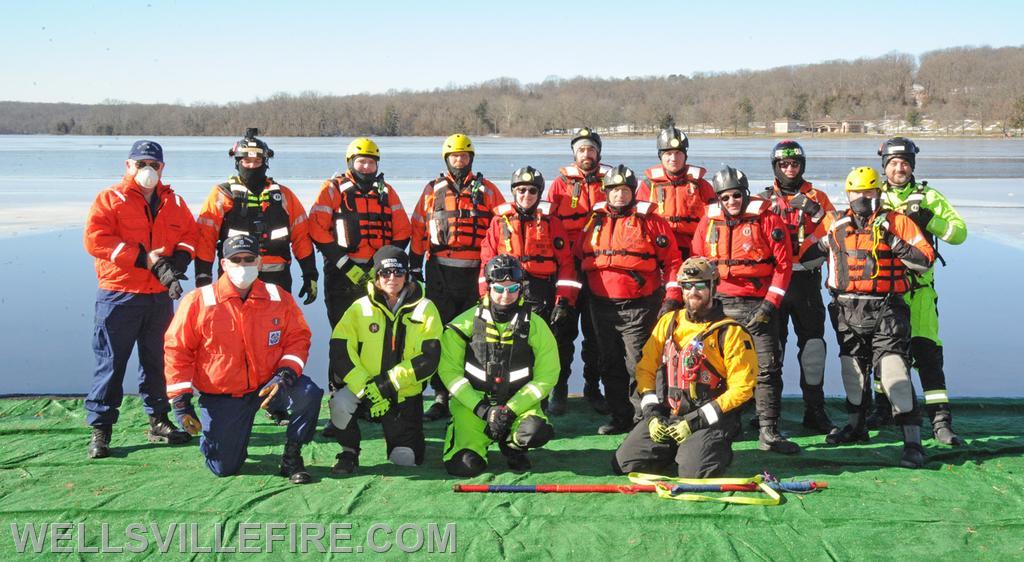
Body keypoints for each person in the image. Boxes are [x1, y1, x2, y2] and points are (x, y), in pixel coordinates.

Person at [798, 167, 935, 468]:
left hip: (887, 306)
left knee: (893, 370)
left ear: (878, 193)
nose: (862, 198)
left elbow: (925, 260)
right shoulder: (836, 223)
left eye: (869, 192)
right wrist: (822, 243)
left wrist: (894, 242)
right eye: (856, 192)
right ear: (848, 194)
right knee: (852, 369)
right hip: (847, 308)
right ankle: (856, 426)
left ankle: (912, 441)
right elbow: (806, 257)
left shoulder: (897, 222)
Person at [164, 235, 323, 483]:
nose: (243, 265)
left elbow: (299, 337)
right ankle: (219, 437)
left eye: (249, 259)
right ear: (224, 264)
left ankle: (292, 455)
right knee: (223, 467)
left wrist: (285, 374)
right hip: (225, 393)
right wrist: (181, 402)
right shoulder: (199, 301)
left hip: (270, 384)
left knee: (309, 393)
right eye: (235, 260)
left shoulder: (277, 296)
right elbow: (177, 350)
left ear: (259, 263)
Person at [194, 128, 317, 426]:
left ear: (266, 161)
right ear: (236, 161)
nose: (251, 164)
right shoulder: (221, 195)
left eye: (257, 159)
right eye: (245, 159)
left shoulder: (284, 196)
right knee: (234, 338)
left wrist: (310, 273)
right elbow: (205, 236)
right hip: (235, 283)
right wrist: (201, 277)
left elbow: (301, 235)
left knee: (277, 340)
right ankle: (236, 393)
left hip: (276, 281)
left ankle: (275, 398)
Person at [83, 140, 196, 459]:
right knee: (110, 363)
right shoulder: (110, 199)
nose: (148, 170)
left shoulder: (174, 201)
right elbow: (96, 240)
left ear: (162, 168)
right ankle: (101, 429)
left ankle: (158, 420)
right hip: (119, 295)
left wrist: (179, 262)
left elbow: (191, 234)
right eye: (141, 164)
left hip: (159, 297)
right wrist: (143, 259)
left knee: (158, 362)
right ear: (128, 165)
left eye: (154, 165)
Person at [613, 257, 757, 478]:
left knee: (694, 473)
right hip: (671, 414)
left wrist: (696, 421)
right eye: (686, 286)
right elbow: (645, 369)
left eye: (699, 285)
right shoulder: (669, 322)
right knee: (625, 463)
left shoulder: (731, 332)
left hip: (710, 420)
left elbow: (743, 389)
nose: (692, 292)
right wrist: (651, 414)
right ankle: (674, 449)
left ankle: (714, 450)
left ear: (713, 286)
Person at [870, 138, 968, 446]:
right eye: (893, 163)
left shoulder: (929, 196)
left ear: (912, 165)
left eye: (904, 163)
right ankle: (882, 408)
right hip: (885, 290)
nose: (899, 168)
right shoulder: (874, 195)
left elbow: (959, 234)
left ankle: (940, 421)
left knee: (926, 352)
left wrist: (929, 219)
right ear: (884, 166)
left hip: (920, 290)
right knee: (884, 355)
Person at [691, 166, 797, 454]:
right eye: (725, 197)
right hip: (721, 307)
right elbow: (697, 266)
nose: (732, 202)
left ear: (745, 194)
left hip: (757, 305)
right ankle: (725, 426)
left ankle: (768, 431)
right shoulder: (708, 224)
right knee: (717, 370)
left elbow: (783, 266)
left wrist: (769, 305)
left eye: (737, 195)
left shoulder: (767, 220)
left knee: (766, 369)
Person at [577, 165, 683, 435]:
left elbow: (672, 261)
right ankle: (620, 415)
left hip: (639, 305)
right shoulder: (594, 220)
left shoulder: (650, 220)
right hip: (601, 306)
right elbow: (579, 256)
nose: (619, 196)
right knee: (609, 363)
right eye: (614, 191)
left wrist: (672, 298)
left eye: (624, 190)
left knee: (639, 363)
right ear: (607, 193)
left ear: (632, 192)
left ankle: (646, 417)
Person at [409, 133, 505, 422]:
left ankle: (471, 392)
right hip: (440, 270)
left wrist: (499, 269)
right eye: (454, 156)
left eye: (463, 156)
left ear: (471, 158)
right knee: (441, 334)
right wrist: (414, 267)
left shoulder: (488, 190)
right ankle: (440, 394)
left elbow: (503, 227)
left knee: (476, 335)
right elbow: (418, 228)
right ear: (446, 159)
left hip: (476, 273)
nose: (459, 161)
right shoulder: (431, 191)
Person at [437, 256, 558, 476]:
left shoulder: (537, 325)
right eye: (498, 288)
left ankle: (513, 446)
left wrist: (510, 410)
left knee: (536, 431)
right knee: (464, 467)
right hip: (474, 408)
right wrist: (484, 411)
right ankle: (464, 439)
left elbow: (548, 375)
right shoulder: (460, 325)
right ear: (487, 288)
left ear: (521, 289)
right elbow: (449, 373)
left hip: (517, 405)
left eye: (512, 288)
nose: (505, 295)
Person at [326, 246, 442, 474]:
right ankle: (349, 451)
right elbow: (339, 350)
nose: (392, 278)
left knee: (405, 460)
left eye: (399, 273)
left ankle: (402, 438)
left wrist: (386, 384)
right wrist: (367, 386)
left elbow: (429, 359)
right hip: (365, 388)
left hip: (404, 393)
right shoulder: (359, 308)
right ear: (376, 275)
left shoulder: (426, 308)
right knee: (339, 404)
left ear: (407, 275)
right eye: (385, 273)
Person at [478, 166, 579, 415]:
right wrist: (484, 297)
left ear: (539, 193)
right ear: (513, 192)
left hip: (541, 291)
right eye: (521, 190)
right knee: (510, 347)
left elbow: (566, 263)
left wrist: (563, 301)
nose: (526, 195)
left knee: (549, 345)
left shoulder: (552, 223)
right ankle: (512, 395)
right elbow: (486, 262)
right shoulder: (498, 222)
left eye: (532, 190)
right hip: (507, 291)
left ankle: (556, 391)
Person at [759, 140, 837, 434]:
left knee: (813, 349)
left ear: (802, 166)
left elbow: (838, 231)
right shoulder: (763, 200)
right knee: (771, 351)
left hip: (807, 283)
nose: (790, 169)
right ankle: (769, 413)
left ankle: (815, 411)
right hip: (774, 285)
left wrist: (816, 211)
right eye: (784, 165)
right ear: (776, 167)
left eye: (794, 164)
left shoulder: (818, 197)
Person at [308, 137, 411, 329]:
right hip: (341, 272)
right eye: (361, 161)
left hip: (379, 273)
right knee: (343, 330)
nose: (366, 166)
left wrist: (381, 264)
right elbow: (315, 227)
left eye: (371, 162)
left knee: (378, 329)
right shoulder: (333, 188)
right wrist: (345, 265)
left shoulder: (387, 192)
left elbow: (404, 230)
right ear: (350, 162)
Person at [546, 127, 612, 414]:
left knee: (596, 335)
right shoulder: (560, 185)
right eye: (582, 150)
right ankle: (559, 390)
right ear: (574, 154)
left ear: (599, 153)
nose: (587, 154)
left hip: (599, 270)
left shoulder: (612, 182)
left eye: (592, 149)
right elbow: (548, 225)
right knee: (562, 332)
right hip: (568, 271)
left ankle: (592, 388)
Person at [637, 126, 716, 258]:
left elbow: (716, 219)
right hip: (659, 247)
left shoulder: (701, 185)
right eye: (668, 153)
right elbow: (638, 221)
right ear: (660, 156)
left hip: (692, 247)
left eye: (678, 153)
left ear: (685, 156)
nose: (673, 158)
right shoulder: (648, 186)